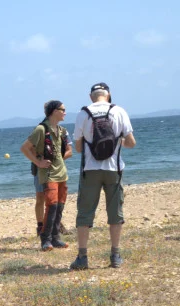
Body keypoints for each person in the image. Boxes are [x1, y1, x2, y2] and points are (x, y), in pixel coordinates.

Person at [70, 82, 136, 270]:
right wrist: (116, 142)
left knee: (85, 213)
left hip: (90, 169)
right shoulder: (119, 111)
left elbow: (78, 147)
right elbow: (131, 142)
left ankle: (82, 257)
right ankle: (115, 255)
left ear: (91, 97)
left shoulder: (83, 114)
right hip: (114, 168)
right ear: (108, 94)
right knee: (115, 212)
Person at [20, 100, 73, 251]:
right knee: (51, 205)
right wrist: (38, 162)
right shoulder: (41, 129)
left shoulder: (61, 130)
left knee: (59, 206)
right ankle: (46, 239)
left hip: (62, 173)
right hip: (49, 174)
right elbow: (24, 148)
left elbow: (68, 151)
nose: (65, 112)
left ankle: (56, 238)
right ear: (54, 111)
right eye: (62, 110)